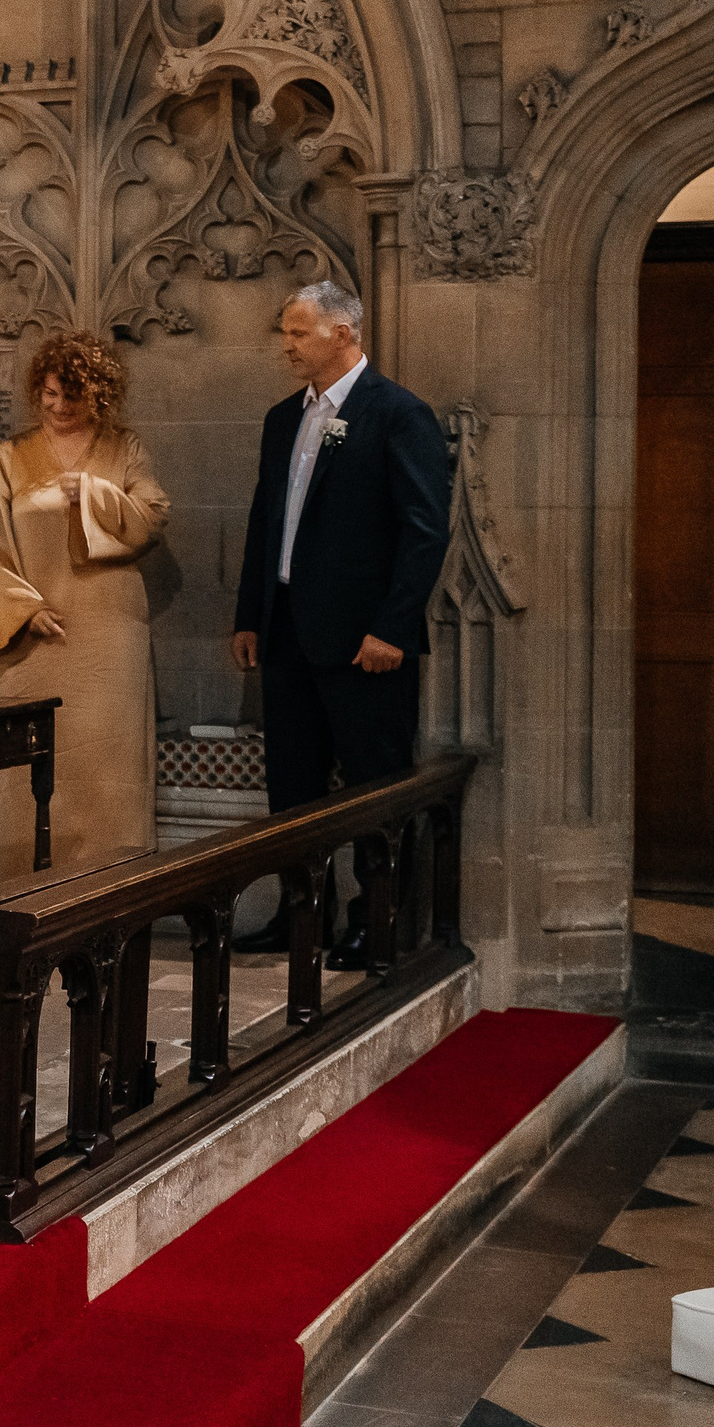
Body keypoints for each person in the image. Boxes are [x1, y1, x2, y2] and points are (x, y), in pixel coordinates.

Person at [230, 280, 449, 968]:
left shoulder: (398, 414)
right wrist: (250, 615)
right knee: (291, 791)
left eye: (299, 332)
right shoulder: (280, 418)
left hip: (364, 642)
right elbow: (266, 524)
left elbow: (423, 531)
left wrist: (391, 626)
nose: (288, 346)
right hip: (288, 629)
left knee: (373, 787)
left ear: (344, 333)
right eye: (286, 333)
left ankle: (375, 921)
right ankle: (303, 918)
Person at [0, 332, 169, 877]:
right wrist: (23, 610)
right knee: (33, 763)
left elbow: (153, 514)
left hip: (109, 634)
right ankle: (24, 888)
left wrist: (93, 491)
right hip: (37, 635)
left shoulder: (122, 448)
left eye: (72, 396)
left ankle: (111, 885)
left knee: (108, 765)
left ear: (97, 395)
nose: (58, 407)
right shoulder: (11, 456)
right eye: (50, 394)